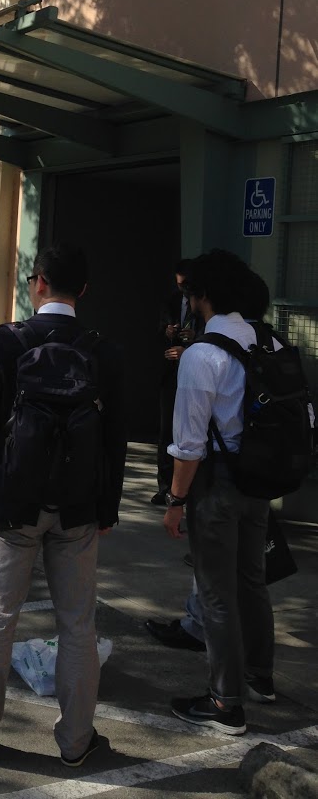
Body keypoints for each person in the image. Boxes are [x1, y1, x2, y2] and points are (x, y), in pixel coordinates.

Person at [0, 243, 127, 768]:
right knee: (78, 624)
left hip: (12, 502)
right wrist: (107, 507)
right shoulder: (103, 350)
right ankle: (76, 741)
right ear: (83, 291)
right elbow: (114, 438)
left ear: (38, 282)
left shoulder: (7, 340)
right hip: (78, 506)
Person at [164, 249, 275, 736]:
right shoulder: (265, 341)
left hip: (218, 484)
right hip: (259, 479)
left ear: (202, 296)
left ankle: (225, 703)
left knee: (215, 593)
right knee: (252, 580)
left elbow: (189, 446)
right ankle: (259, 676)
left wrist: (175, 501)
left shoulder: (202, 354)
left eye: (190, 293)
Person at [152, 259, 202, 504]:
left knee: (191, 432)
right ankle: (164, 486)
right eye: (179, 284)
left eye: (186, 285)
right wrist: (168, 331)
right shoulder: (171, 301)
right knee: (166, 431)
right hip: (171, 371)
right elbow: (159, 327)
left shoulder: (203, 304)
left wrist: (195, 338)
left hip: (195, 375)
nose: (183, 289)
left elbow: (212, 336)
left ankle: (187, 489)